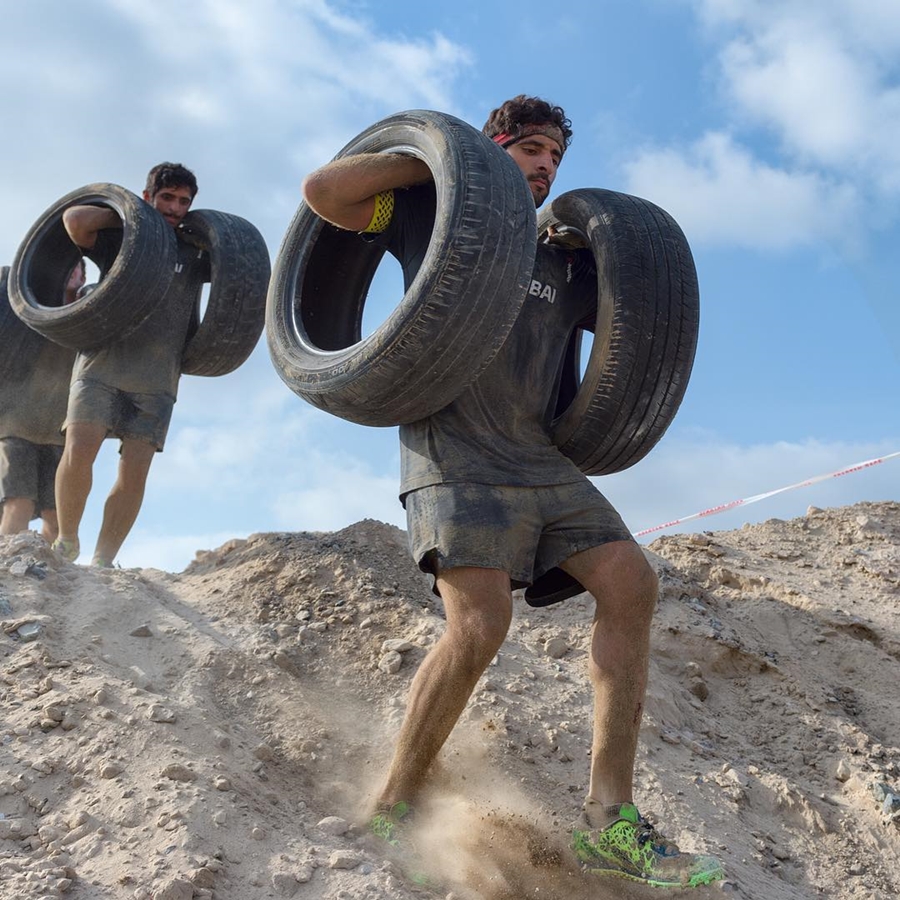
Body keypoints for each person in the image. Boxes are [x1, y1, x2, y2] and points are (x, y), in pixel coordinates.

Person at [301, 96, 724, 889]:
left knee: (632, 584)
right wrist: (447, 161)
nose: (544, 166)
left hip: (541, 458)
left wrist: (610, 258)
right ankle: (394, 799)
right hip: (452, 450)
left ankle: (610, 823)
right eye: (530, 149)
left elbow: (641, 334)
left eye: (554, 158)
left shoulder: (568, 260)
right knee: (481, 624)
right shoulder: (429, 215)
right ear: (497, 148)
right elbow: (326, 192)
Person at [53, 162, 205, 567]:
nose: (174, 207)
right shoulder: (123, 239)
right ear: (148, 196)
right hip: (101, 364)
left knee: (134, 470)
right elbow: (75, 220)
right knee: (79, 449)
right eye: (167, 197)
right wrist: (131, 214)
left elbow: (245, 277)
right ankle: (67, 541)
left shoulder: (196, 251)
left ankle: (103, 560)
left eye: (183, 201)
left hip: (157, 377)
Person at [0, 261, 85, 542]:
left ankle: (50, 575)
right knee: (19, 503)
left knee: (57, 514)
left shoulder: (90, 315)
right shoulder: (30, 305)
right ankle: (7, 571)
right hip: (16, 426)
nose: (72, 271)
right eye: (68, 266)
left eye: (78, 268)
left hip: (58, 432)